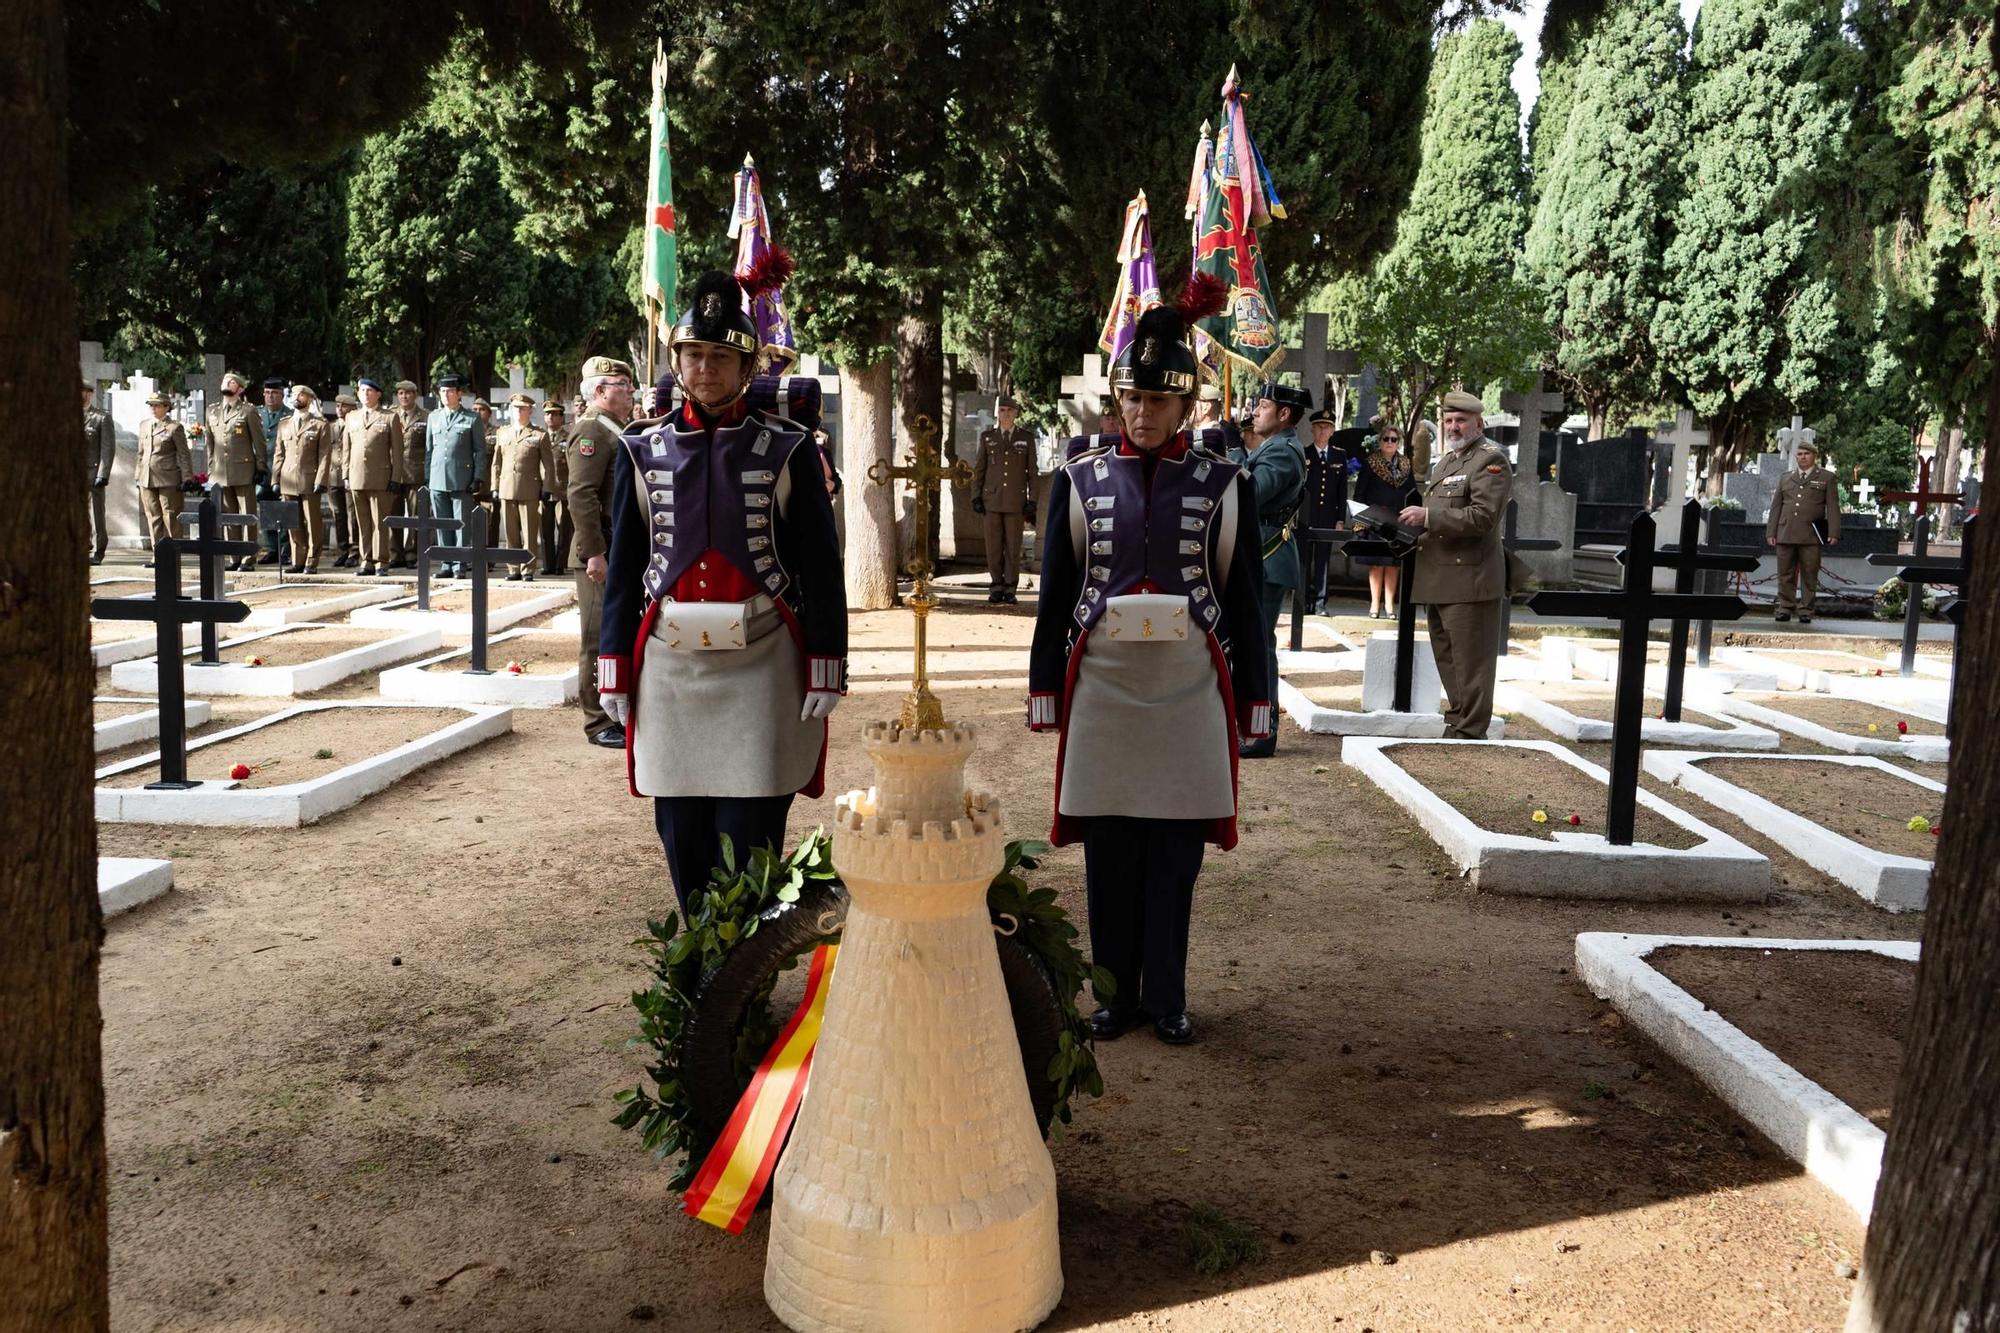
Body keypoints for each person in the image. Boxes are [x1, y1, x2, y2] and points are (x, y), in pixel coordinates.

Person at [1028, 289, 1271, 1047]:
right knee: (1109, 854)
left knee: (1174, 854)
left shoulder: (1225, 485)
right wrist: (1044, 686)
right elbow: (1056, 591)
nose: (1142, 413)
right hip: (1102, 687)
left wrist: (1256, 699)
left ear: (1185, 403)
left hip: (1189, 689)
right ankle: (1114, 995)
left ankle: (1167, 995)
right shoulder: (1078, 479)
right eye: (1131, 398)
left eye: (1158, 400)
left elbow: (1245, 599)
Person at [598, 268, 847, 910]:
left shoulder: (788, 449)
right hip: (670, 667)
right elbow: (626, 567)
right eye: (694, 355)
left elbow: (820, 567)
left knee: (752, 832)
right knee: (682, 832)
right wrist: (613, 667)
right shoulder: (639, 449)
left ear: (745, 365)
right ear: (678, 362)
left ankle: (743, 985)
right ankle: (701, 973)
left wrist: (826, 664)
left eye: (720, 357)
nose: (706, 369)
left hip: (760, 666)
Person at [1399, 389, 1511, 739]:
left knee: (1471, 661)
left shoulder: (1491, 461)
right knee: (1448, 658)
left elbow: (1483, 517)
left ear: (1478, 423)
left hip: (1470, 579)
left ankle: (1471, 729)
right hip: (1438, 576)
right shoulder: (1447, 462)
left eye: (1460, 420)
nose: (1453, 426)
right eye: (1448, 420)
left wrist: (1428, 516)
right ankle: (1457, 721)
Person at [1230, 382, 1309, 759]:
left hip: (1266, 556)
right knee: (1248, 644)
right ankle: (1247, 723)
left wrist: (1228, 453)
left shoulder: (1282, 452)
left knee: (1258, 647)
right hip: (1256, 556)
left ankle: (1262, 731)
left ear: (1283, 415)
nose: (1255, 412)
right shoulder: (1273, 446)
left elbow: (1250, 494)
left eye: (1262, 406)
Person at [568, 357, 636, 749]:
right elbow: (581, 494)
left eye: (628, 384)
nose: (628, 390)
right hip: (599, 553)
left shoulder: (617, 429)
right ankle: (596, 722)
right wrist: (594, 552)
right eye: (620, 384)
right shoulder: (592, 430)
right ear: (598, 391)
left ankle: (614, 714)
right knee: (595, 636)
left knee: (615, 634)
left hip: (616, 549)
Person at [972, 395, 1038, 604]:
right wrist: (976, 496)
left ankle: (1010, 588)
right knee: (993, 547)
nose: (1006, 414)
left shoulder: (1026, 438)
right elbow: (979, 469)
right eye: (1002, 410)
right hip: (991, 500)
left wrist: (1032, 500)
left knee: (1012, 546)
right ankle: (996, 587)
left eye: (1010, 410)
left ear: (1016, 413)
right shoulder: (987, 437)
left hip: (1014, 502)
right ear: (997, 414)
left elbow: (1032, 472)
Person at [1767, 439, 1840, 624]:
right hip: (1786, 531)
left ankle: (1806, 609)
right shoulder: (1786, 477)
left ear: (1814, 456)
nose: (1803, 457)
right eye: (1799, 454)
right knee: (1785, 573)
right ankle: (1785, 607)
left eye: (1806, 454)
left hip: (1811, 534)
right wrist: (1771, 531)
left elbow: (1832, 506)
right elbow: (1776, 506)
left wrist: (1833, 532)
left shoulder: (1826, 477)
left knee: (1809, 573)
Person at [1350, 423, 1414, 617]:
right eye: (1386, 439)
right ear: (1380, 441)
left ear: (1398, 442)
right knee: (1376, 563)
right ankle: (1374, 605)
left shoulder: (1405, 464)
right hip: (1375, 521)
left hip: (1397, 520)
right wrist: (1359, 523)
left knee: (1393, 563)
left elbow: (1412, 493)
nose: (1389, 443)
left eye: (1393, 439)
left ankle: (1389, 606)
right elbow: (1359, 493)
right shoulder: (1370, 463)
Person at [204, 372, 267, 571]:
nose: (227, 383)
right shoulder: (212, 411)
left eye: (232, 382)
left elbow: (259, 441)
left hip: (243, 469)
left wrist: (260, 466)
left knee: (247, 514)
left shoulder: (248, 411)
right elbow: (210, 444)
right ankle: (234, 557)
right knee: (229, 516)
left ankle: (248, 557)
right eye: (225, 380)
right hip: (221, 472)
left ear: (240, 389)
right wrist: (210, 469)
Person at [425, 374, 485, 578]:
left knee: (461, 523)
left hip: (462, 478)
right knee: (442, 523)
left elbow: (479, 450)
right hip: (437, 478)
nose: (446, 395)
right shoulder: (433, 417)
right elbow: (429, 450)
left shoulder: (471, 418)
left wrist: (478, 477)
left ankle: (460, 564)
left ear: (459, 394)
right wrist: (427, 477)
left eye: (450, 391)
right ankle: (446, 563)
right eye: (442, 391)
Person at [491, 393, 556, 580]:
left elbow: (548, 465)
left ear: (530, 410)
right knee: (511, 533)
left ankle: (528, 569)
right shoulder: (503, 433)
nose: (518, 412)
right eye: (515, 408)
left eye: (522, 408)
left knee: (529, 532)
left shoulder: (539, 435)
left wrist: (547, 488)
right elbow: (497, 463)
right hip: (506, 488)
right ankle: (513, 568)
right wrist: (495, 487)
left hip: (529, 489)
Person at [344, 379, 406, 576]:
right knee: (362, 522)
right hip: (356, 476)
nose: (365, 394)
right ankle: (366, 560)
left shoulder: (389, 417)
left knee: (379, 522)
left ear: (378, 394)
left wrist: (396, 477)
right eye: (362, 390)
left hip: (381, 477)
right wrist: (345, 474)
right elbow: (347, 448)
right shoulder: (351, 417)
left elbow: (397, 451)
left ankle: (381, 561)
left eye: (370, 391)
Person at [271, 383, 332, 573]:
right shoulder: (285, 423)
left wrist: (321, 480)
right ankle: (297, 560)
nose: (297, 397)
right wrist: (275, 478)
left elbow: (324, 455)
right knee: (292, 523)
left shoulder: (320, 424)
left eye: (301, 394)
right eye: (295, 394)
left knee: (312, 522)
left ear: (310, 399)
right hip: (288, 479)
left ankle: (311, 561)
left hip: (310, 480)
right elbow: (278, 454)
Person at [135, 391, 195, 560]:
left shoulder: (174, 427)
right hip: (147, 477)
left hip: (168, 478)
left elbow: (183, 454)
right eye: (151, 406)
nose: (153, 409)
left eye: (157, 406)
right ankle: (158, 555)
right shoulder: (144, 425)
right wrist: (137, 475)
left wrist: (187, 478)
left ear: (166, 407)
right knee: (153, 517)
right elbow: (140, 453)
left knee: (170, 516)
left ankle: (172, 554)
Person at [1301, 406, 1349, 614]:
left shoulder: (1339, 456)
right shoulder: (1305, 454)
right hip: (1307, 515)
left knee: (1323, 560)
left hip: (1328, 516)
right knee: (1305, 560)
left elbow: (1342, 491)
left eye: (1327, 427)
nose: (1322, 431)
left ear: (1332, 431)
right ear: (1312, 429)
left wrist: (1340, 519)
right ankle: (1303, 601)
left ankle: (1320, 603)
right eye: (1319, 427)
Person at [390, 380, 428, 568]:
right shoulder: (390, 415)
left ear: (415, 395)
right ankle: (395, 553)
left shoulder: (426, 416)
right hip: (394, 473)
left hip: (416, 473)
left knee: (415, 516)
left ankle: (412, 552)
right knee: (393, 514)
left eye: (408, 393)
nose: (404, 397)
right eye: (401, 393)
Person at [255, 377, 289, 564]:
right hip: (263, 470)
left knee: (283, 510)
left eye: (274, 393)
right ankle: (271, 548)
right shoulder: (258, 414)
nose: (270, 397)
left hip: (283, 470)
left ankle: (285, 548)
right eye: (267, 393)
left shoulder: (289, 415)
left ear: (282, 395)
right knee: (266, 510)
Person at [83, 381, 115, 564]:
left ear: (90, 394)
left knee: (97, 514)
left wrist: (103, 474)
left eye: (86, 392)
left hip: (94, 473)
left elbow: (107, 449)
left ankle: (99, 551)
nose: (83, 395)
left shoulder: (101, 417)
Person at [325, 394, 357, 568]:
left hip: (351, 475)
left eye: (344, 406)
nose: (340, 409)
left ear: (352, 408)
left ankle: (354, 550)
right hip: (333, 476)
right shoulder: (331, 427)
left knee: (352, 515)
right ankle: (343, 550)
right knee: (338, 515)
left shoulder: (355, 425)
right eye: (338, 405)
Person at [541, 399, 571, 576]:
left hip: (563, 489)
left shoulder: (568, 437)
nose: (550, 417)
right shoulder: (539, 437)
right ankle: (547, 564)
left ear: (561, 417)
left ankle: (561, 564)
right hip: (545, 489)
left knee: (564, 529)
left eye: (554, 414)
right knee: (545, 529)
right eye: (547, 414)